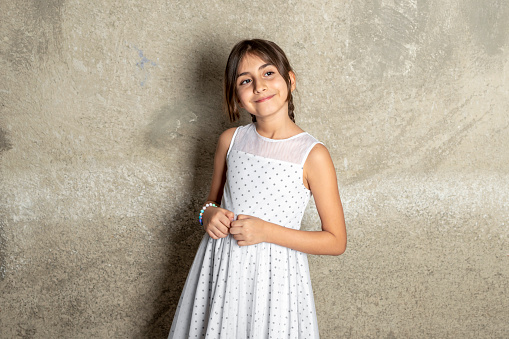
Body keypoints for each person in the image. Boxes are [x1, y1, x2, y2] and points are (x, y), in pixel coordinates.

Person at [168, 38, 347, 339]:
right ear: (236, 96)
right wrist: (208, 216)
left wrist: (266, 232)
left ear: (289, 79)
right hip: (221, 271)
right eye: (245, 80)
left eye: (268, 74)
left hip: (275, 282)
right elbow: (208, 205)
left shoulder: (312, 155)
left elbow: (336, 241)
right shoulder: (231, 141)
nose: (259, 87)